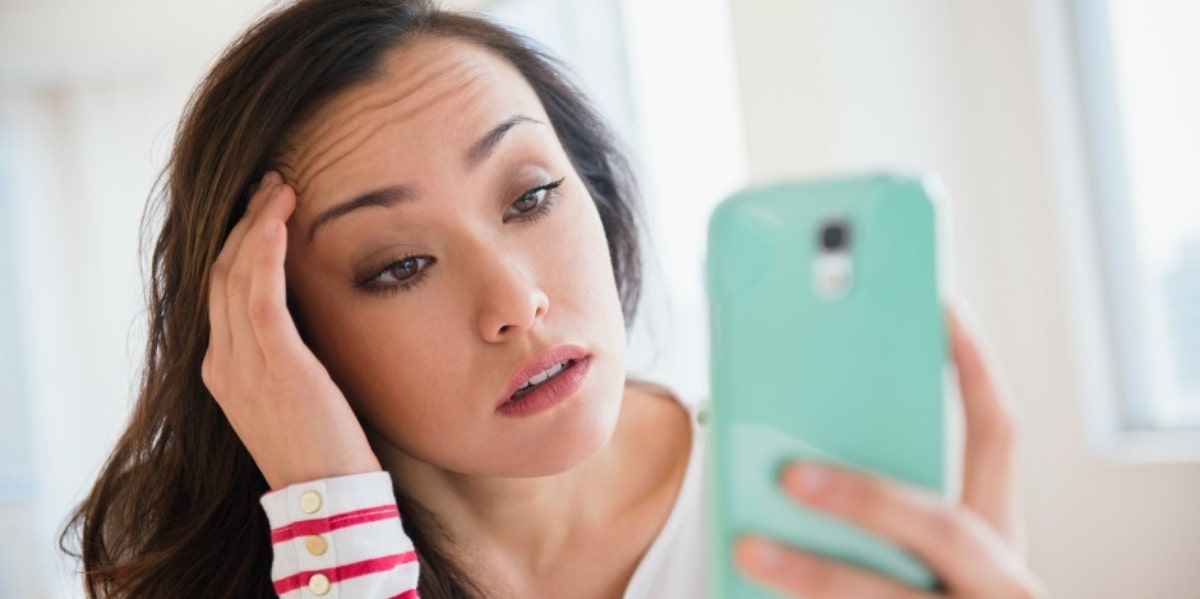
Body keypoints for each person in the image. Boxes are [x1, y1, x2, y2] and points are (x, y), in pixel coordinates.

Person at [61, 0, 1045, 597]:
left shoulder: (825, 518)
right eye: (399, 264)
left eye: (532, 197)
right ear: (281, 333)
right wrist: (333, 529)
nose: (516, 301)